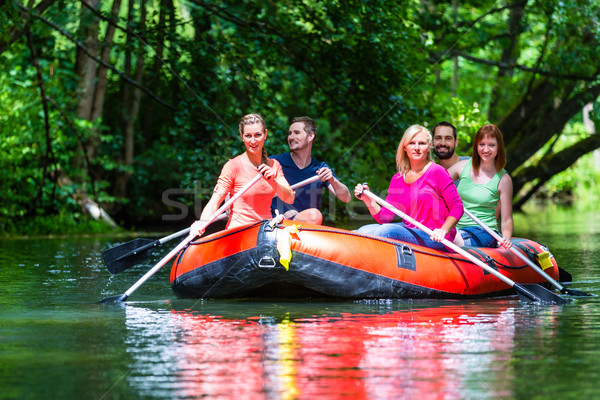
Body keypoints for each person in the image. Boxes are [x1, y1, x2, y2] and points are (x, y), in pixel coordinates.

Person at [354, 124, 463, 252]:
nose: (416, 148)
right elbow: (385, 218)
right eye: (412, 143)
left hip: (434, 236)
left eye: (421, 143)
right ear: (405, 147)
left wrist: (443, 230)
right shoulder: (397, 179)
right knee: (364, 230)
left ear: (429, 147)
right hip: (412, 231)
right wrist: (368, 200)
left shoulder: (437, 172)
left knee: (387, 231)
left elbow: (457, 207)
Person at [191, 113, 294, 237]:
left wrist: (273, 181)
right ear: (242, 136)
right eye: (248, 136)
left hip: (265, 232)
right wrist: (201, 223)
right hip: (238, 234)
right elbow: (215, 202)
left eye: (257, 135)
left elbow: (289, 198)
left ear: (265, 134)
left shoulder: (274, 165)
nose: (253, 141)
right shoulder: (233, 166)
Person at [270, 116, 351, 225]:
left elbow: (346, 198)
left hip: (308, 227)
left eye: (296, 132)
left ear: (310, 136)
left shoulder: (320, 168)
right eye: (289, 133)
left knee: (314, 216)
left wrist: (332, 180)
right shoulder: (275, 162)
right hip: (278, 225)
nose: (291, 137)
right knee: (314, 215)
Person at [447, 124, 513, 248]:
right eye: (482, 144)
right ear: (476, 146)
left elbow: (507, 219)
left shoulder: (504, 180)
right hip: (456, 228)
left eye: (491, 145)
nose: (486, 149)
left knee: (448, 237)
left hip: (484, 232)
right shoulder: (462, 166)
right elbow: (437, 182)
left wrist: (506, 237)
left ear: (499, 147)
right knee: (445, 234)